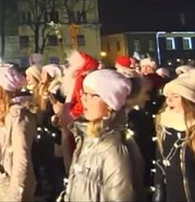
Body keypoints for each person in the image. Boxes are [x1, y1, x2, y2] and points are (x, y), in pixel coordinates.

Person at [62, 69, 146, 202]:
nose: (83, 99)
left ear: (110, 104)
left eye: (92, 95)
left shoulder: (112, 149)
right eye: (84, 93)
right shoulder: (87, 137)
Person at [153, 68, 195, 202]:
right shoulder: (164, 126)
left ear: (188, 100)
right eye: (168, 96)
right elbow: (159, 167)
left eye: (175, 96)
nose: (169, 101)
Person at [0, 65, 37, 202]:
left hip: (9, 186)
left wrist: (15, 196)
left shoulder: (18, 117)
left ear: (2, 88)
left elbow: (21, 160)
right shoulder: (1, 115)